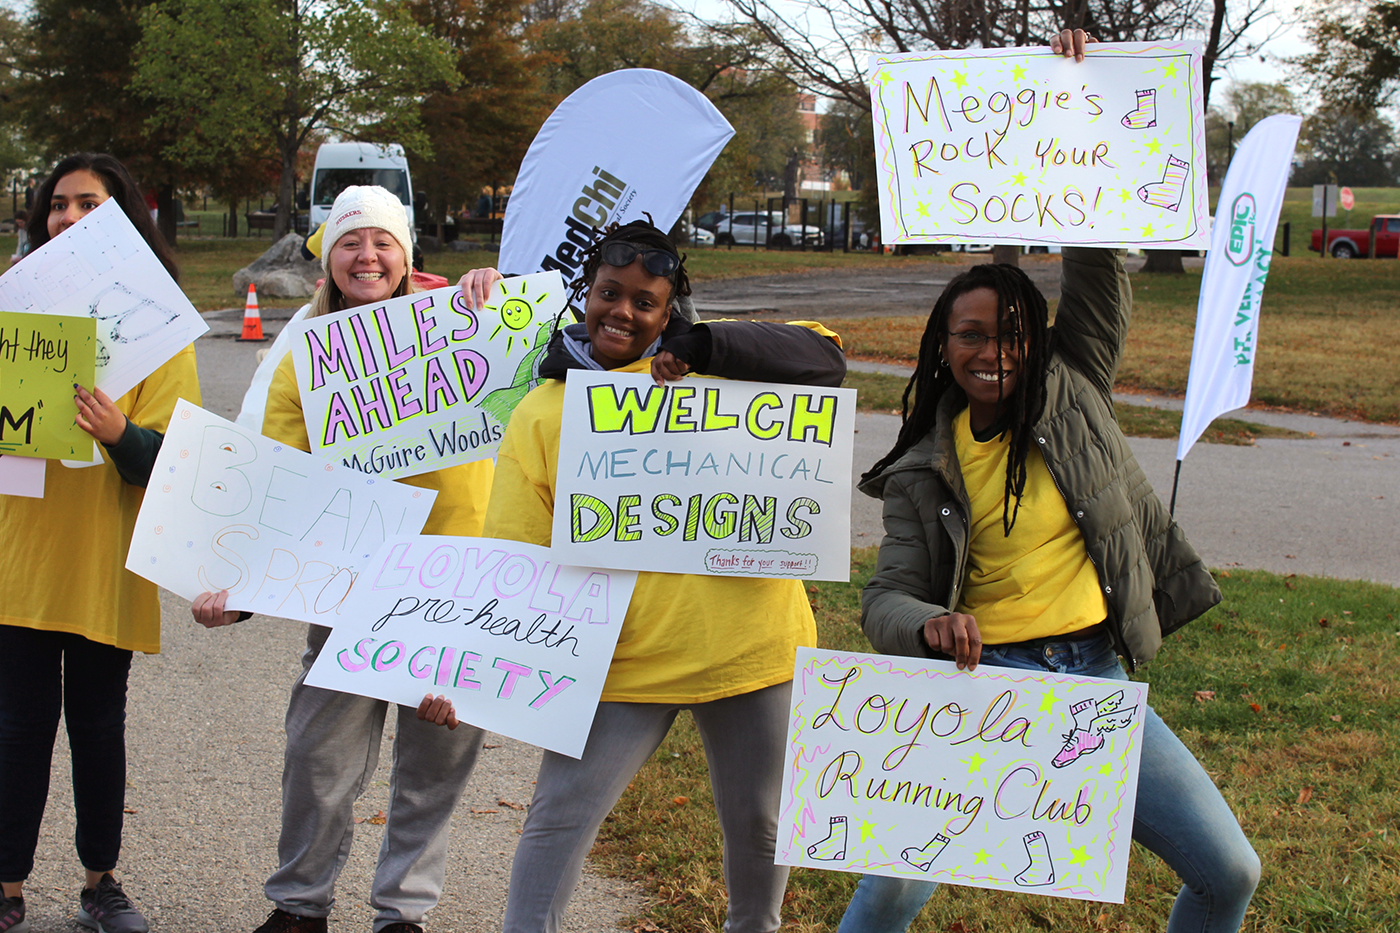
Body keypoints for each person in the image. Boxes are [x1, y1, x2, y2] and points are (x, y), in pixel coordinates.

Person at [832, 29, 1261, 933]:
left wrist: (1081, 93)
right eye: (971, 335)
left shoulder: (1074, 389)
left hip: (1092, 677)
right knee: (893, 888)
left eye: (1012, 334)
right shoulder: (921, 466)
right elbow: (884, 598)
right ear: (942, 348)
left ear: (1038, 342)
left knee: (1229, 870)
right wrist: (928, 621)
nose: (993, 351)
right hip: (981, 687)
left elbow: (1098, 263)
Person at [419, 218, 846, 933]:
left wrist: (704, 345)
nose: (621, 311)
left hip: (751, 648)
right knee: (558, 820)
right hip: (619, 661)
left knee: (763, 825)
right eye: (608, 293)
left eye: (644, 302)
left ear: (668, 309)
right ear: (585, 295)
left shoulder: (718, 371)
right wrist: (470, 672)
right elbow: (514, 558)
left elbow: (827, 355)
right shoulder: (543, 410)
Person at [190, 186, 493, 933]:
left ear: (406, 255)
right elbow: (274, 473)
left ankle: (403, 914)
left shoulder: (467, 321)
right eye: (350, 243)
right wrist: (240, 588)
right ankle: (299, 906)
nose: (367, 256)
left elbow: (558, 367)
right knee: (318, 757)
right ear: (328, 259)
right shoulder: (305, 352)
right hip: (349, 585)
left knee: (434, 764)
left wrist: (499, 300)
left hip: (457, 582)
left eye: (383, 242)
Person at [0, 152, 201, 933]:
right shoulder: (13, 312)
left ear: (124, 219)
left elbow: (177, 460)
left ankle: (101, 883)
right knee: (16, 729)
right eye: (58, 204)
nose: (69, 217)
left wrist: (121, 434)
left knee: (96, 727)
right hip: (21, 556)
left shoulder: (162, 328)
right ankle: (7, 886)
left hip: (105, 558)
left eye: (89, 203)